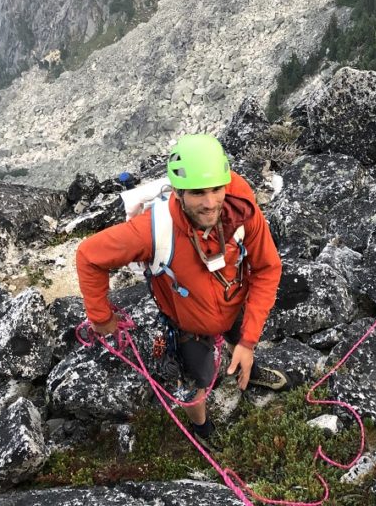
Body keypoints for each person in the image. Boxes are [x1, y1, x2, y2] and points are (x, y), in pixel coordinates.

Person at [76, 134, 287, 445]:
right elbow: (89, 256)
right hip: (189, 324)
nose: (211, 202)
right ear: (177, 192)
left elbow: (268, 268)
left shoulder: (240, 207)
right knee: (195, 385)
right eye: (198, 193)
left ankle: (244, 365)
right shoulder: (152, 230)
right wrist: (101, 317)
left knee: (239, 339)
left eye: (216, 189)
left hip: (235, 301)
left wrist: (249, 341)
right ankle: (202, 429)